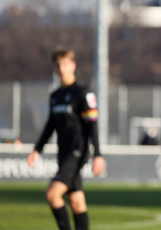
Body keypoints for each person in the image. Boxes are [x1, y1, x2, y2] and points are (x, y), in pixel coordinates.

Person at [27, 49, 105, 230]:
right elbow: (50, 126)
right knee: (76, 202)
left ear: (73, 65)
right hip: (63, 152)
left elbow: (93, 124)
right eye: (58, 64)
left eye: (65, 64)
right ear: (54, 68)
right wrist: (37, 150)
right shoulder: (55, 96)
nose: (61, 68)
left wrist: (98, 154)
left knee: (52, 194)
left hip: (77, 151)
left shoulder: (83, 92)